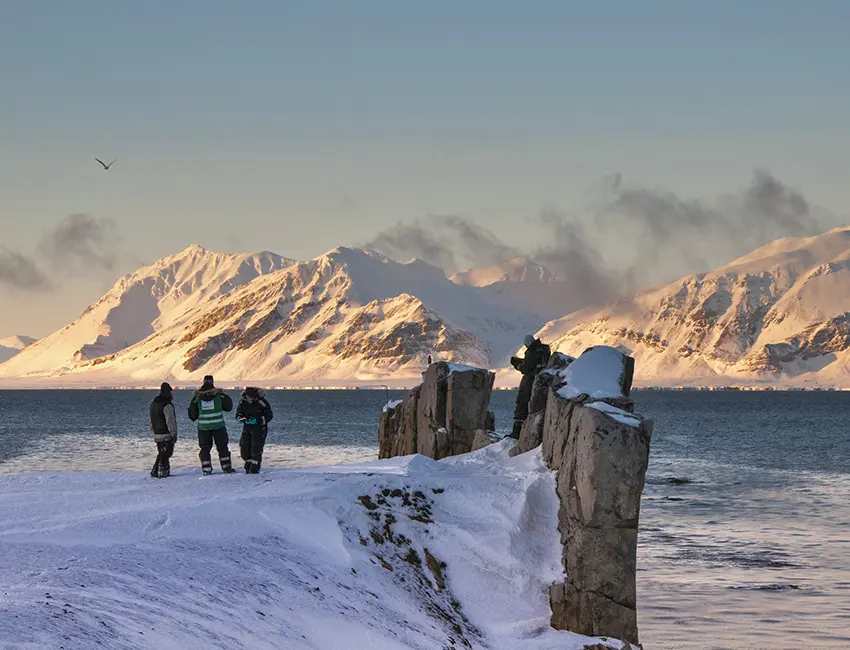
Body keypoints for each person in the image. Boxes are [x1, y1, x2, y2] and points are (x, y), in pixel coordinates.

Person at [188, 375, 235, 475]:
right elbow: (229, 407)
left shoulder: (197, 398)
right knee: (222, 447)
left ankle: (206, 468)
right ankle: (226, 467)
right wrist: (222, 394)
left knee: (205, 448)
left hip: (203, 428)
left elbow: (192, 415)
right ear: (212, 382)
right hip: (218, 426)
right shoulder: (219, 396)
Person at [509, 334, 551, 438]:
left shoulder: (532, 351)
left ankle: (517, 431)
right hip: (542, 380)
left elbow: (525, 368)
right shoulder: (544, 350)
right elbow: (534, 362)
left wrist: (517, 364)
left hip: (530, 380)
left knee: (522, 402)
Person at [236, 387, 274, 474]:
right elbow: (238, 413)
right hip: (247, 428)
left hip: (259, 429)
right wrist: (240, 418)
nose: (250, 399)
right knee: (244, 448)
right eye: (249, 397)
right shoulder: (242, 402)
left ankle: (254, 469)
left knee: (256, 449)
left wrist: (258, 420)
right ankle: (248, 466)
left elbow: (269, 415)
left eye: (252, 397)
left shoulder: (262, 403)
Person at [149, 382, 178, 478]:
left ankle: (156, 470)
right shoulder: (167, 405)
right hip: (166, 433)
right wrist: (173, 433)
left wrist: (152, 430)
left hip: (157, 433)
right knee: (166, 453)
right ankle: (162, 470)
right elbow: (170, 420)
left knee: (162, 452)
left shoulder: (154, 403)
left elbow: (151, 418)